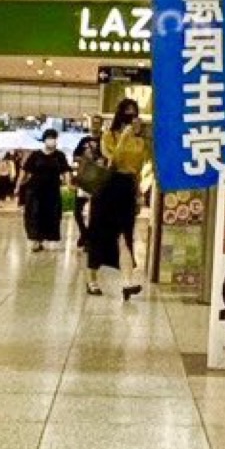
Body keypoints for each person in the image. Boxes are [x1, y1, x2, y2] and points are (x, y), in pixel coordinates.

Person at [85, 98, 150, 300]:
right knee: (99, 233)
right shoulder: (108, 136)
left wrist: (139, 194)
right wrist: (124, 137)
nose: (130, 117)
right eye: (127, 113)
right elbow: (113, 161)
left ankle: (128, 282)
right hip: (108, 186)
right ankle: (92, 279)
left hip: (127, 188)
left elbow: (138, 169)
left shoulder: (140, 142)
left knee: (126, 235)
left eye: (134, 113)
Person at [21, 130, 69, 252]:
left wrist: (68, 185)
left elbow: (65, 171)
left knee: (49, 215)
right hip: (35, 189)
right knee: (34, 214)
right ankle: (35, 240)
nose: (51, 140)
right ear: (44, 139)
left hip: (52, 190)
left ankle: (43, 238)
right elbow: (26, 170)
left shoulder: (60, 156)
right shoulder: (35, 155)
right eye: (49, 137)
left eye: (53, 138)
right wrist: (18, 185)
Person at [71, 128, 103, 248]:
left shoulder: (105, 140)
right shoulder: (84, 140)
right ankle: (85, 234)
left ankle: (90, 240)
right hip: (84, 178)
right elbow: (75, 156)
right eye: (93, 122)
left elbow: (108, 159)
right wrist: (86, 159)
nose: (95, 125)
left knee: (95, 212)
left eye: (97, 123)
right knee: (77, 211)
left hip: (98, 179)